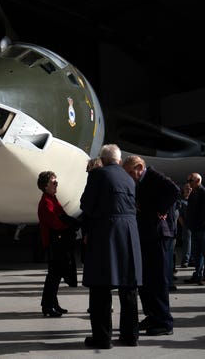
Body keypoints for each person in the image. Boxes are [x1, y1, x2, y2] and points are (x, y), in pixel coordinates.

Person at [81, 144, 142, 348]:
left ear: (104, 159)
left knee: (100, 288)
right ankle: (130, 335)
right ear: (119, 159)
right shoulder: (129, 178)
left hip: (107, 233)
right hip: (130, 233)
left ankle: (102, 338)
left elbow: (86, 205)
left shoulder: (98, 175)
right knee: (129, 289)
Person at [123, 155, 179, 337]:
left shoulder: (154, 176)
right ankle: (153, 315)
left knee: (157, 279)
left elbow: (174, 191)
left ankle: (164, 321)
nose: (130, 176)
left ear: (140, 167)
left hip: (157, 235)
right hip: (147, 234)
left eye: (131, 172)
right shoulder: (142, 181)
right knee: (147, 279)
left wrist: (160, 210)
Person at [36, 171, 78, 317]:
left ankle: (51, 304)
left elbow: (61, 216)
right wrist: (71, 226)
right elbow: (56, 223)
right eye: (53, 182)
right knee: (54, 276)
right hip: (54, 244)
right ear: (45, 186)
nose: (56, 184)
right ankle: (48, 305)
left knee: (54, 275)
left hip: (57, 242)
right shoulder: (47, 202)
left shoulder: (51, 199)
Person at [184, 173, 205, 286]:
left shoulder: (203, 193)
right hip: (196, 228)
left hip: (203, 228)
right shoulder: (194, 193)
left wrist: (202, 226)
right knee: (197, 254)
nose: (188, 182)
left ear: (197, 181)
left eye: (190, 180)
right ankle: (197, 275)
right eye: (188, 180)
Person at [178, 183, 192, 268]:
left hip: (195, 225)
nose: (189, 189)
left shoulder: (193, 199)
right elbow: (179, 215)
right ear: (183, 189)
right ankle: (185, 261)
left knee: (194, 244)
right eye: (187, 188)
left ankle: (192, 260)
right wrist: (184, 225)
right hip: (187, 226)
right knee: (187, 244)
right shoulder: (181, 201)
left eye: (190, 188)